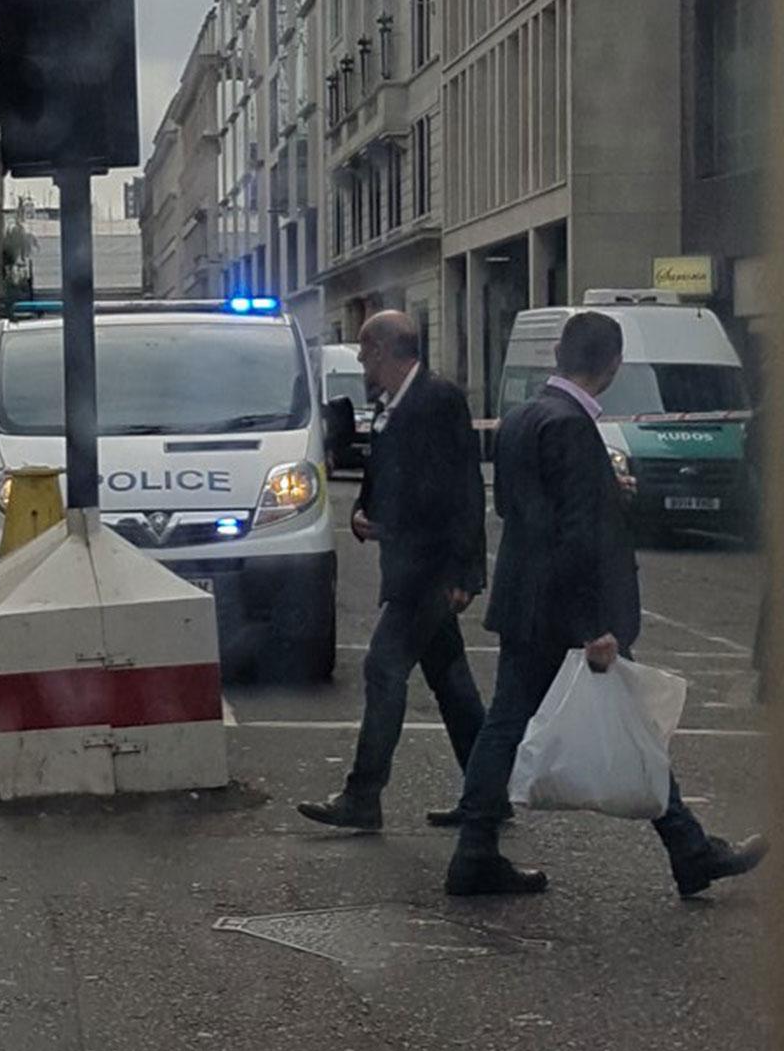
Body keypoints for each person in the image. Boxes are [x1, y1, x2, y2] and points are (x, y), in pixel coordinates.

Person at [445, 310, 769, 897]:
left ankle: (476, 849)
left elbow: (517, 511)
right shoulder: (570, 426)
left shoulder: (523, 416)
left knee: (510, 724)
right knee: (612, 723)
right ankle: (689, 852)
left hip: (527, 602)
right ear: (613, 365)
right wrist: (594, 625)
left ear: (560, 356)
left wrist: (601, 490)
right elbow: (572, 535)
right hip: (565, 612)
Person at [298, 311, 489, 832]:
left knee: (382, 670)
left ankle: (364, 797)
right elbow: (386, 474)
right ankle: (490, 791)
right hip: (410, 564)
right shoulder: (393, 406)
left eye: (364, 352)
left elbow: (463, 491)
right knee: (452, 684)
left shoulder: (438, 400)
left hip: (429, 570)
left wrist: (465, 572)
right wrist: (364, 512)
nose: (361, 362)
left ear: (383, 351)